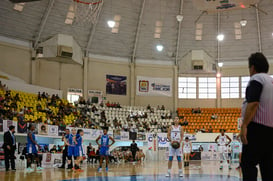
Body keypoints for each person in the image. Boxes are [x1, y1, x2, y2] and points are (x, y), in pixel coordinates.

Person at [240, 52, 273, 181]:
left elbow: (253, 103)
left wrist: (244, 125)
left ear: (252, 67)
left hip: (256, 129)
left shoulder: (256, 79)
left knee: (248, 165)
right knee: (268, 167)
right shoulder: (271, 81)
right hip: (270, 131)